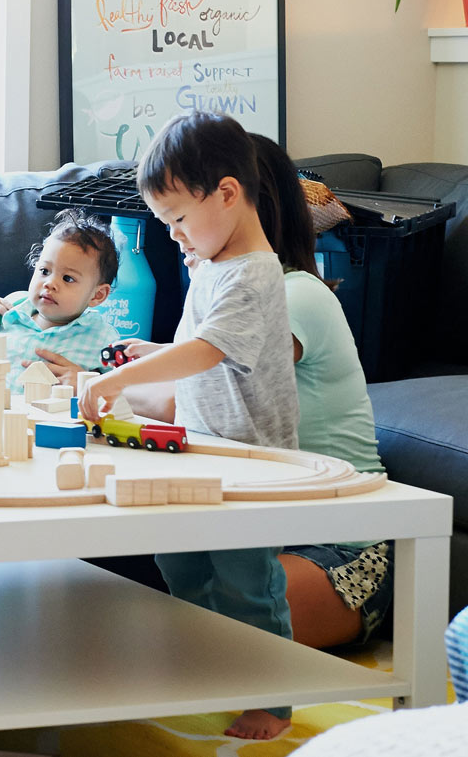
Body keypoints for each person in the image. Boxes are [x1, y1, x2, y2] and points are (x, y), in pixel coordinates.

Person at [122, 135, 395, 650]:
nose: (178, 236)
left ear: (236, 203)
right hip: (265, 526)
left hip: (344, 551)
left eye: (183, 218)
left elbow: (189, 396)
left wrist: (99, 386)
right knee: (156, 587)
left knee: (213, 628)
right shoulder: (228, 290)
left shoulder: (296, 295)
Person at [79, 111, 300, 741]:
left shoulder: (254, 272)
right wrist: (145, 352)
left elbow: (206, 351)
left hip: (249, 464)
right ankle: (210, 666)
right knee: (182, 566)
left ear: (228, 194)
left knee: (247, 585)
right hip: (201, 452)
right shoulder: (212, 268)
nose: (172, 235)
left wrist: (113, 382)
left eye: (177, 219)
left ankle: (272, 699)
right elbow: (198, 348)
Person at [0, 207, 120, 391]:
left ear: (97, 295)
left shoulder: (101, 337)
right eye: (44, 271)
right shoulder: (11, 309)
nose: (50, 283)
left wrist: (87, 384)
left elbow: (121, 390)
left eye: (68, 278)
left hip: (59, 418)